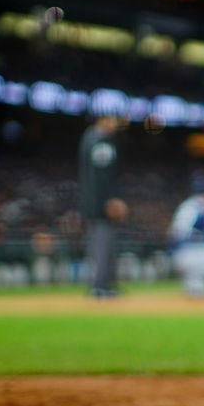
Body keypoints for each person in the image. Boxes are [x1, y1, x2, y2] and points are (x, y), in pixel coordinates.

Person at [78, 115, 127, 297]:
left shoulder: (91, 139)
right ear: (103, 120)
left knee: (103, 245)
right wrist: (109, 200)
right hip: (100, 206)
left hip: (95, 204)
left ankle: (104, 284)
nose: (115, 124)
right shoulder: (100, 142)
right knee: (102, 245)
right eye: (112, 120)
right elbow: (100, 178)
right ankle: (100, 286)